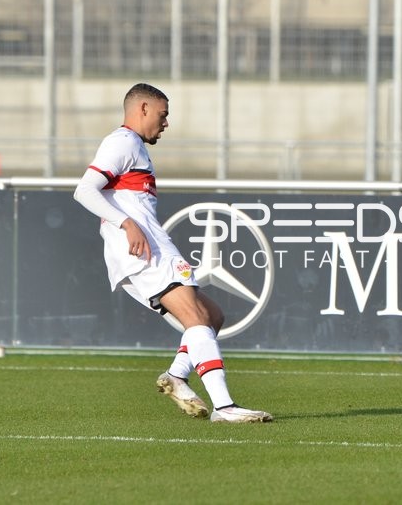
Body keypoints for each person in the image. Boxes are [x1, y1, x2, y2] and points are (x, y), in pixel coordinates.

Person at [74, 82, 272, 424]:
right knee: (196, 319)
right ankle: (224, 407)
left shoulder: (134, 146)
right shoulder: (122, 142)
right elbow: (84, 190)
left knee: (212, 317)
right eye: (163, 115)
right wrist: (127, 224)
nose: (165, 123)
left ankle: (177, 376)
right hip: (143, 248)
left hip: (142, 247)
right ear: (143, 109)